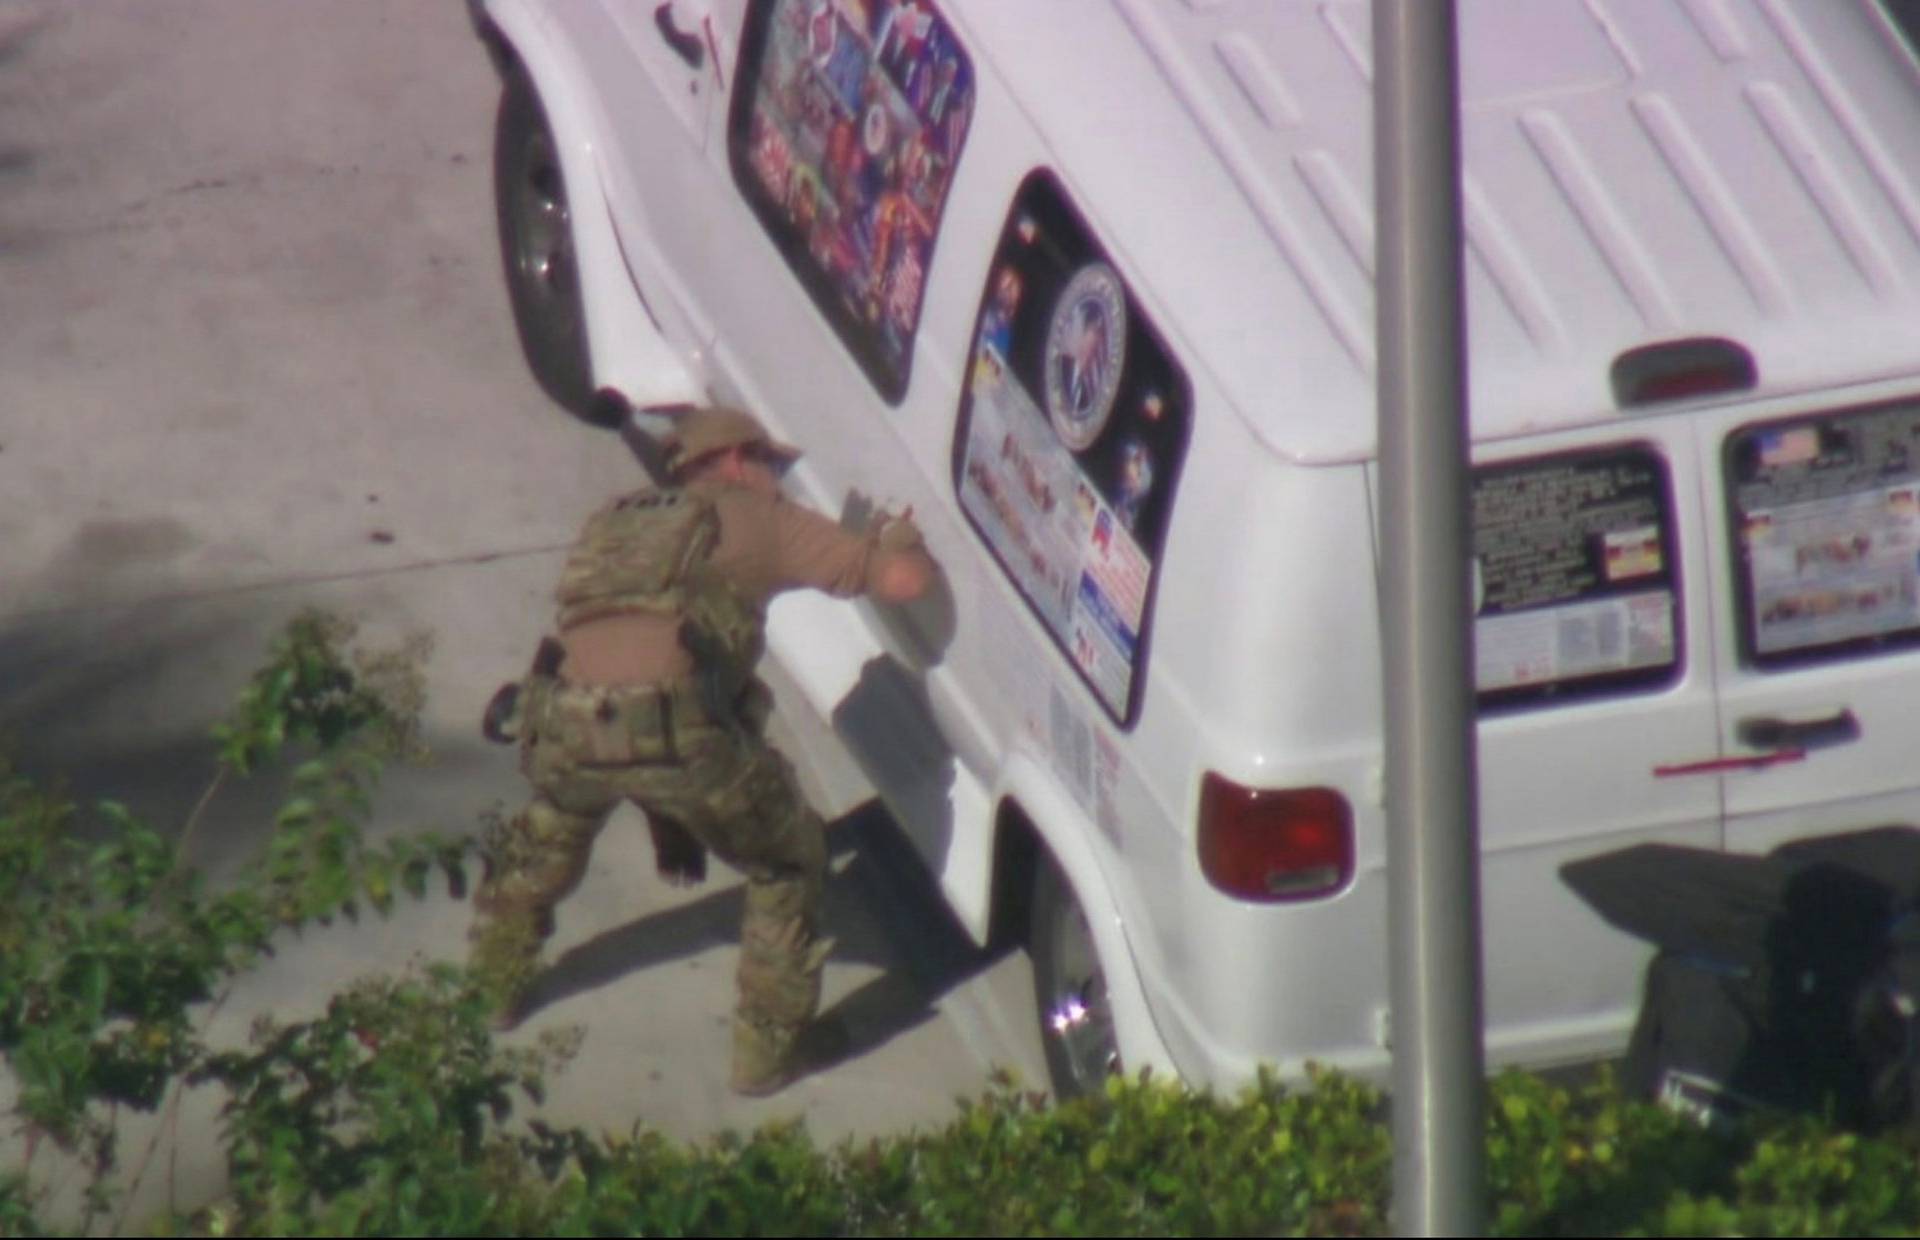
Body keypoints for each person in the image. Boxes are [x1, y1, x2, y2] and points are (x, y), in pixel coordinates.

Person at [468, 406, 938, 1096]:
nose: (778, 481)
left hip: (564, 722)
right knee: (788, 860)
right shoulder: (757, 518)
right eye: (772, 466)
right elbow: (902, 582)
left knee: (545, 844)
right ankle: (765, 1057)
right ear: (737, 461)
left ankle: (493, 990)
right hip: (681, 740)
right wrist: (898, 535)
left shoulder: (619, 519)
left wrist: (669, 819)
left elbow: (625, 664)